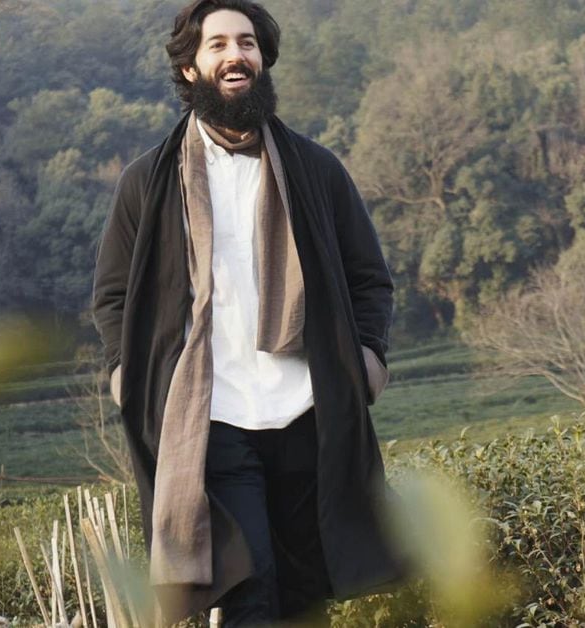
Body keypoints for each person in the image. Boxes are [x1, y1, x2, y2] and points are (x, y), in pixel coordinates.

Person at [91, 0, 403, 624]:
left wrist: (367, 361)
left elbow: (369, 279)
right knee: (248, 589)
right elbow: (113, 297)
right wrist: (131, 376)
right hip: (212, 418)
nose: (236, 55)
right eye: (218, 45)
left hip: (307, 411)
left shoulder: (316, 170)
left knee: (306, 597)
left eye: (248, 43)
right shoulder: (148, 183)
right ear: (190, 68)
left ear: (263, 59)